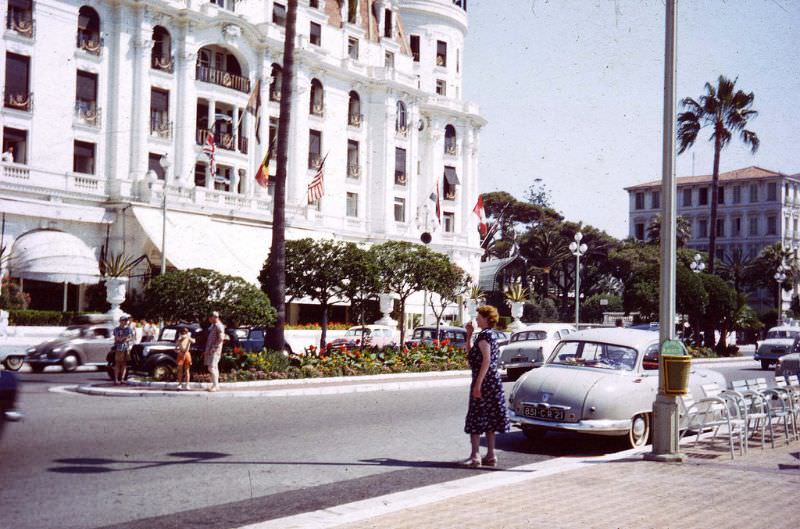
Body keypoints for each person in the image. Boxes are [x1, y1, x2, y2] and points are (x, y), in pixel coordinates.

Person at [463, 305, 509, 467]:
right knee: (489, 418)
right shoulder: (487, 335)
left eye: (479, 317)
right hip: (491, 381)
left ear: (486, 318)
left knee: (476, 416)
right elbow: (472, 356)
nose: (476, 319)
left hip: (484, 382)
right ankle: (490, 455)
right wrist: (469, 336)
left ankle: (475, 456)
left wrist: (478, 385)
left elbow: (487, 360)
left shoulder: (484, 336)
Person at [204, 311, 225, 392]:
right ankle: (215, 385)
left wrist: (214, 348)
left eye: (210, 317)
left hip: (214, 350)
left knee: (212, 367)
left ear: (215, 317)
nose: (209, 319)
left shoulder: (219, 326)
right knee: (213, 367)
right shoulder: (214, 326)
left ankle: (216, 386)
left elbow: (221, 338)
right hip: (211, 350)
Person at [112, 315, 134, 385]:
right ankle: (116, 379)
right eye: (124, 320)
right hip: (119, 348)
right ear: (120, 321)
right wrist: (124, 337)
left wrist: (124, 338)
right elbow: (117, 339)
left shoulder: (128, 329)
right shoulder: (116, 329)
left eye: (126, 321)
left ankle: (122, 379)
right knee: (117, 364)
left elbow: (130, 338)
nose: (125, 322)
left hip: (126, 348)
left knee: (124, 364)